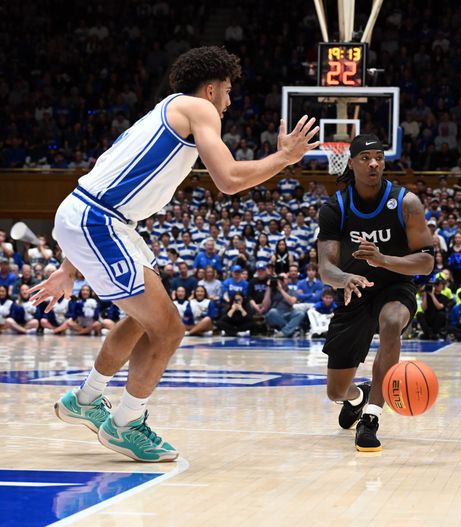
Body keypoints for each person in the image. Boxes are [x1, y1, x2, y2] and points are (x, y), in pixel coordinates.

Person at [30, 46, 320, 462]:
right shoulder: (201, 110)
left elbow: (103, 173)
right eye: (227, 89)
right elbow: (229, 180)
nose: (230, 99)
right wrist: (285, 158)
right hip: (100, 222)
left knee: (142, 320)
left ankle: (87, 398)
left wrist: (69, 264)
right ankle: (127, 424)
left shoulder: (163, 110)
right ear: (210, 88)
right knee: (168, 330)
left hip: (99, 218)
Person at [317, 134, 434, 452]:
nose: (374, 163)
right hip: (353, 292)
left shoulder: (406, 203)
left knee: (392, 321)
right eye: (366, 157)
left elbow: (426, 262)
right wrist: (344, 278)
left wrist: (384, 260)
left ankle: (371, 417)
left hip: (395, 286)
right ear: (351, 162)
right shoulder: (335, 208)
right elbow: (325, 268)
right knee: (336, 391)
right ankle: (359, 398)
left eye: (379, 157)